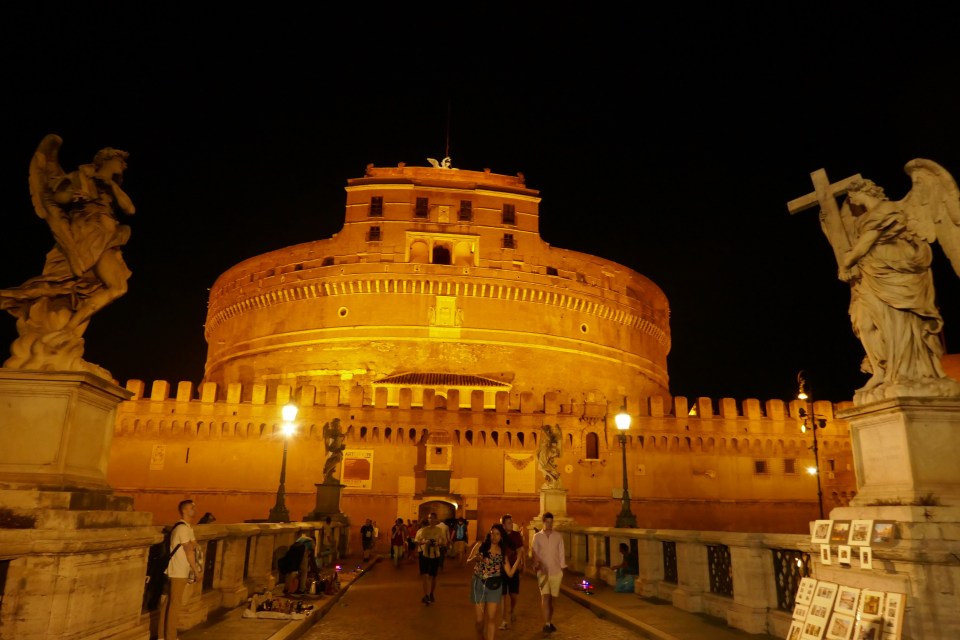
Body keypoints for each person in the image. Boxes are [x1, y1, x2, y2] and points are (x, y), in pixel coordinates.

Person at [1, 135, 135, 378]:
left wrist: (111, 185)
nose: (124, 166)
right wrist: (76, 194)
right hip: (87, 231)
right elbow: (60, 198)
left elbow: (129, 209)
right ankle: (30, 306)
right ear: (107, 159)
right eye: (120, 161)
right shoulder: (80, 176)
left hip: (108, 235)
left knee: (117, 287)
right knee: (68, 281)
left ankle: (70, 330)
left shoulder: (110, 185)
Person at [837, 176, 956, 401]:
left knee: (898, 322)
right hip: (872, 273)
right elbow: (847, 238)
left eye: (852, 197)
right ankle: (882, 369)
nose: (850, 201)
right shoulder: (863, 218)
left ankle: (906, 372)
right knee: (864, 322)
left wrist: (847, 262)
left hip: (894, 268)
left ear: (863, 191)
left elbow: (866, 241)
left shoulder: (888, 209)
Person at [467, 524, 522, 640]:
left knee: (491, 619)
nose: (494, 536)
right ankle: (480, 636)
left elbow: (510, 573)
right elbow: (468, 560)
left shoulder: (502, 553)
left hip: (494, 586)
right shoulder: (480, 545)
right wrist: (475, 558)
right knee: (479, 620)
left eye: (497, 534)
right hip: (479, 584)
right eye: (492, 533)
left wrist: (518, 558)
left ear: (501, 537)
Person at [163, 499, 202, 640]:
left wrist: (193, 545)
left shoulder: (187, 528)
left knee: (168, 603)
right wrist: (196, 571)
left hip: (177, 570)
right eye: (192, 507)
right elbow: (189, 550)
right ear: (184, 510)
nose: (195, 510)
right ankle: (170, 637)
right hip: (178, 571)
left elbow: (194, 545)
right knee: (174, 605)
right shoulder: (182, 529)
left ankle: (163, 636)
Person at [531, 512, 566, 634]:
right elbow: (534, 553)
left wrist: (562, 569)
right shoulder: (537, 537)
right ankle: (546, 624)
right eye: (548, 522)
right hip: (543, 572)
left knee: (553, 599)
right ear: (543, 522)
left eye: (552, 522)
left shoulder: (558, 536)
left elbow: (561, 553)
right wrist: (536, 564)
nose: (550, 524)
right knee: (545, 596)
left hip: (556, 572)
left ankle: (549, 621)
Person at [498, 514, 525, 630]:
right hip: (502, 569)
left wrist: (523, 564)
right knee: (503, 595)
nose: (511, 524)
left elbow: (521, 550)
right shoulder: (499, 537)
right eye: (509, 523)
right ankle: (504, 620)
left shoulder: (516, 535)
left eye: (511, 522)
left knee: (513, 595)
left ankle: (512, 610)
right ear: (503, 525)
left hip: (514, 567)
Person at [414, 513, 447, 604]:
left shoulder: (439, 530)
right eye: (429, 518)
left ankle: (431, 593)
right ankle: (426, 595)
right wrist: (425, 542)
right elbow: (417, 541)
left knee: (433, 576)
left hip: (435, 554)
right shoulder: (424, 530)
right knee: (424, 575)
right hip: (425, 555)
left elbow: (444, 542)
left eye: (432, 518)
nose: (431, 520)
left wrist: (438, 543)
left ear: (436, 519)